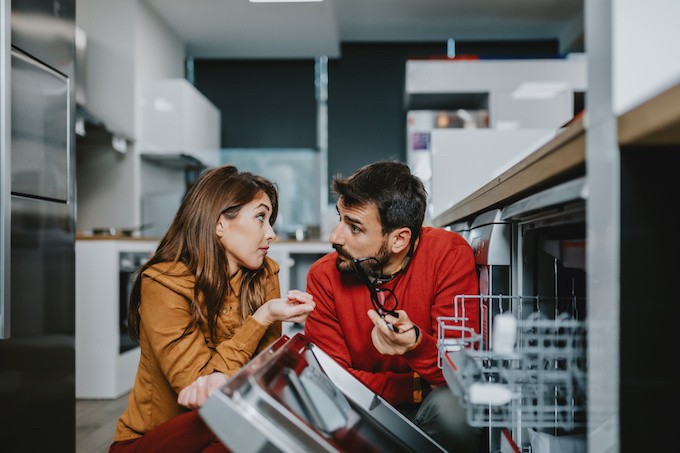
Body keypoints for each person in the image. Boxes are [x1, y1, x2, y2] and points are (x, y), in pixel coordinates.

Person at [109, 164, 315, 453]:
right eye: (260, 218)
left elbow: (263, 378)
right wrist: (262, 317)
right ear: (220, 224)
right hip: (158, 440)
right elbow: (198, 389)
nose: (271, 233)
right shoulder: (163, 283)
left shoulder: (264, 275)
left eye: (270, 220)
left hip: (228, 426)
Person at [304, 160, 482, 453]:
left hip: (430, 409)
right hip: (359, 408)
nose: (335, 237)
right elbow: (329, 377)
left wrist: (415, 345)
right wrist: (413, 388)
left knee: (455, 408)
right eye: (340, 218)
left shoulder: (447, 255)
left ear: (399, 239)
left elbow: (459, 374)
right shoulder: (324, 276)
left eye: (355, 227)